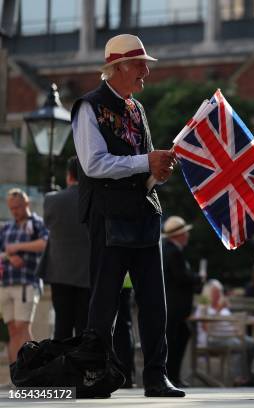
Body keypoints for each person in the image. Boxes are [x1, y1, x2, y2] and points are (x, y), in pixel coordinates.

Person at [71, 33, 182, 397]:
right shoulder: (88, 106)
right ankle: (95, 374)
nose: (145, 72)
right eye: (139, 64)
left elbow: (138, 166)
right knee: (104, 301)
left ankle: (156, 376)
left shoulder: (137, 108)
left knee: (154, 301)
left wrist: (157, 173)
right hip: (108, 214)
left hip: (142, 211)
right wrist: (146, 162)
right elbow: (94, 164)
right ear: (117, 66)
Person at [38, 156, 90, 340]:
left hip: (59, 271)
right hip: (88, 273)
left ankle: (62, 367)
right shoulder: (94, 199)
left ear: (69, 176)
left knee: (62, 325)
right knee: (84, 327)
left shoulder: (51, 200)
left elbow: (48, 224)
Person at [0, 189, 47, 365]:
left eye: (18, 207)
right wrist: (9, 256)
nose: (14, 211)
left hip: (27, 283)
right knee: (12, 330)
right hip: (6, 283)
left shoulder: (36, 223)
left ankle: (32, 372)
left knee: (22, 328)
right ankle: (16, 376)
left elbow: (45, 243)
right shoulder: (7, 227)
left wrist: (19, 247)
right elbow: (2, 252)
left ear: (26, 204)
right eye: (11, 208)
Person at [162, 215, 203, 387]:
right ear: (177, 236)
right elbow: (181, 277)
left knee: (179, 337)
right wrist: (198, 278)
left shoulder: (169, 250)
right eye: (184, 233)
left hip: (173, 307)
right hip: (174, 307)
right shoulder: (173, 252)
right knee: (174, 341)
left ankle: (173, 376)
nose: (187, 236)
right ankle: (172, 376)